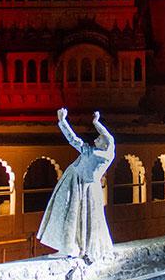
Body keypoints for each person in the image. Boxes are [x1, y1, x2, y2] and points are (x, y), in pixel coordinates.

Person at [37, 108, 115, 262]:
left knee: (70, 215)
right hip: (92, 190)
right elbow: (109, 138)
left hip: (77, 186)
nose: (95, 140)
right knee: (87, 220)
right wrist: (96, 122)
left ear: (103, 145)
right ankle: (81, 247)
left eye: (98, 140)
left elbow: (73, 140)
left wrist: (62, 121)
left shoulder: (90, 153)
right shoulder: (109, 154)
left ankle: (68, 247)